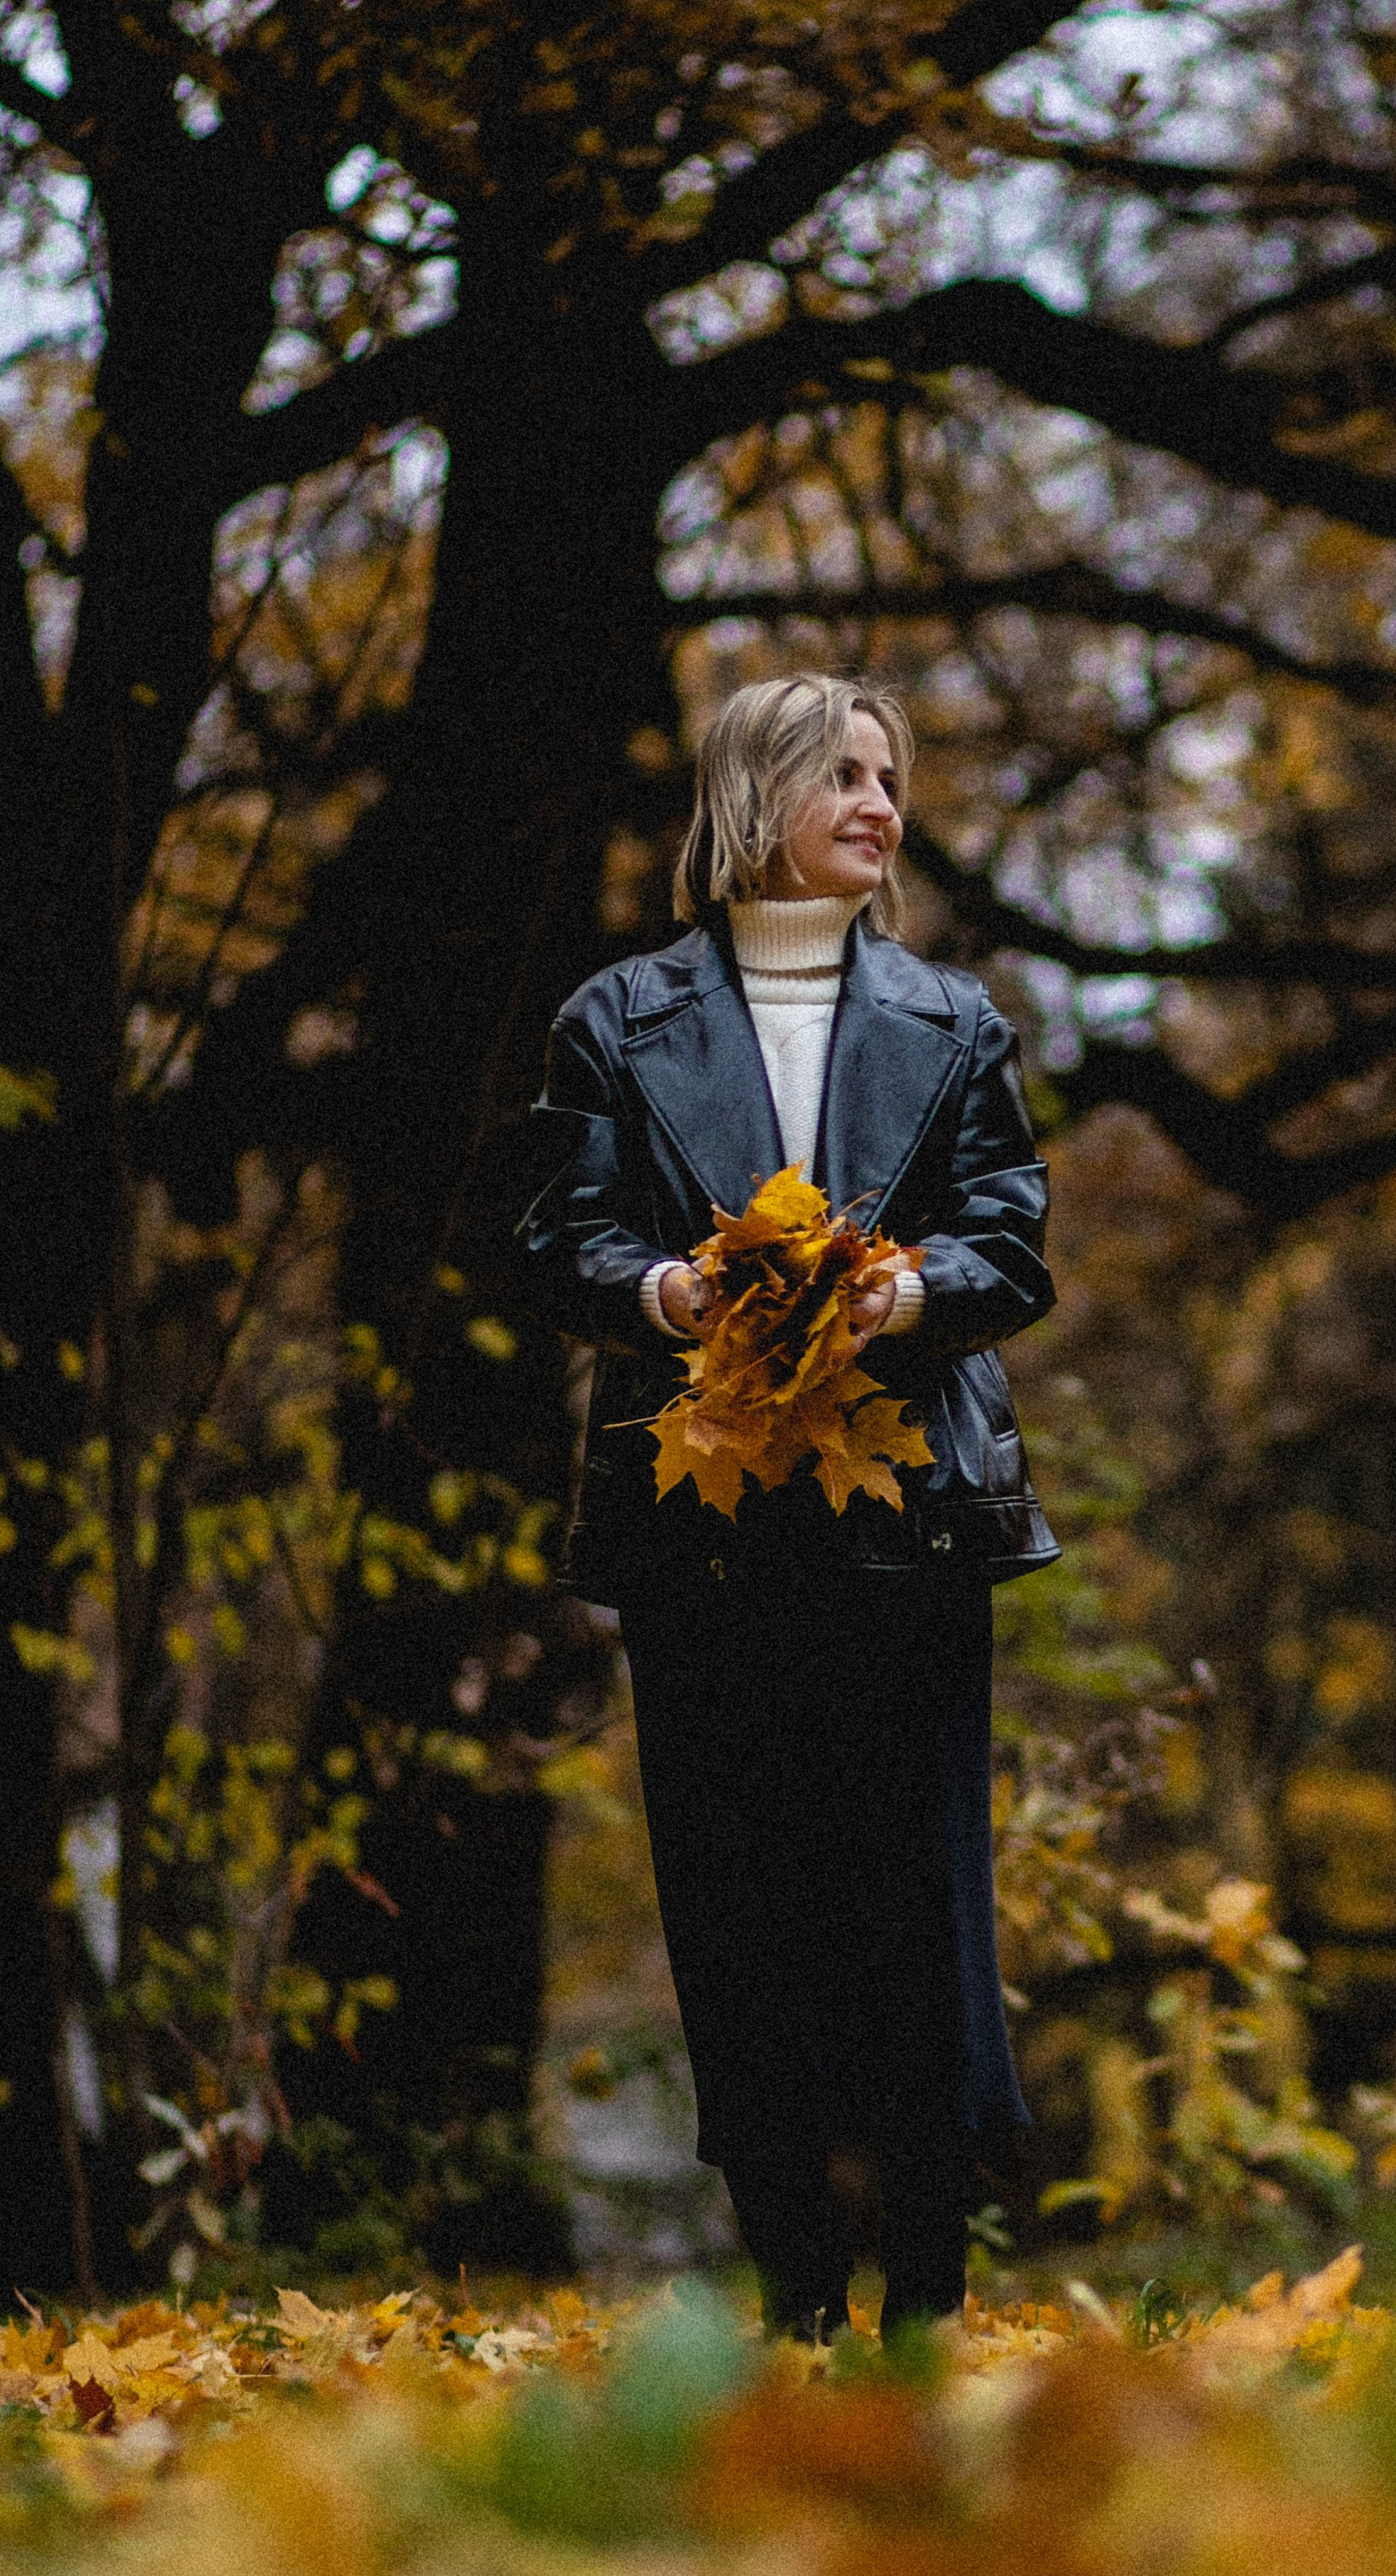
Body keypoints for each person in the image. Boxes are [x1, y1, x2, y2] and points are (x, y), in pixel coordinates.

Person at [517, 672, 1057, 2337]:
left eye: (891, 777)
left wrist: (907, 1293)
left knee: (915, 1902)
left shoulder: (955, 1021)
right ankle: (798, 2293)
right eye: (846, 774)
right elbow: (559, 1235)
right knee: (739, 1905)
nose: (882, 805)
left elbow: (1013, 1239)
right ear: (758, 794)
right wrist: (666, 1290)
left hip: (911, 1519)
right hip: (707, 1531)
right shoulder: (616, 1021)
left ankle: (930, 2293)